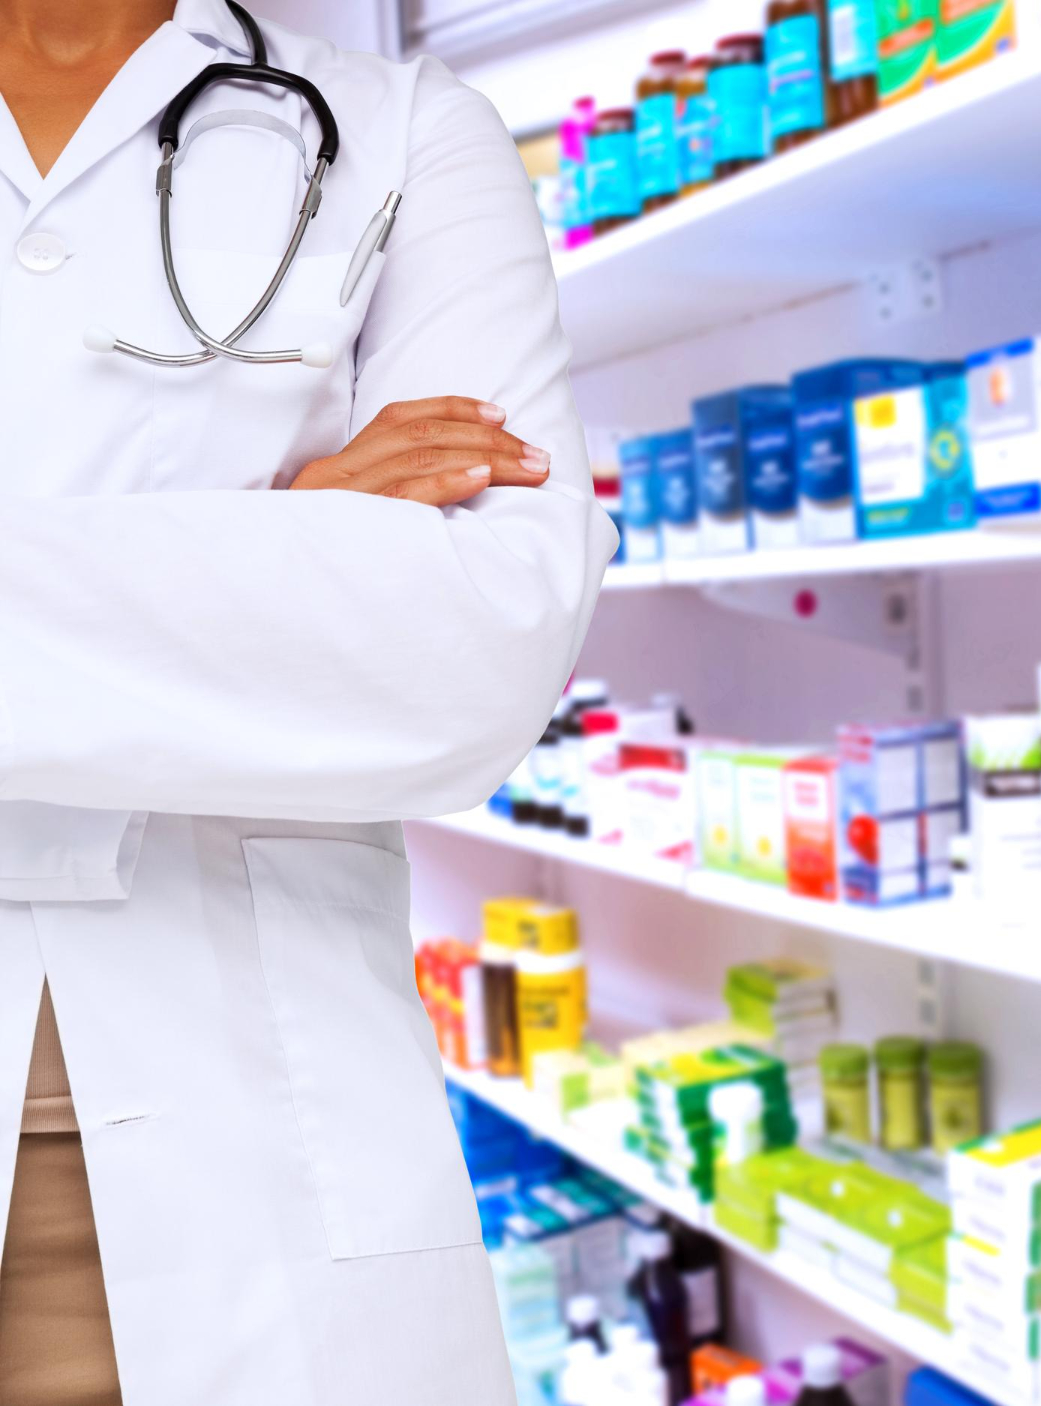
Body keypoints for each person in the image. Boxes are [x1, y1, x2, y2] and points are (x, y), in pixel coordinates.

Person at [0, 2, 616, 1403]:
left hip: (263, 1203)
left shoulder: (405, 136)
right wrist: (275, 526)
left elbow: (478, 649)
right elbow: (360, 621)